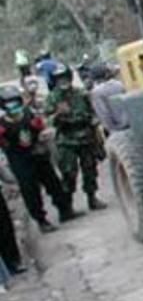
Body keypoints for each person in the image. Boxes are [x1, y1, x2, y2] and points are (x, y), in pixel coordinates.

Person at [0, 85, 77, 232]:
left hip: (38, 154)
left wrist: (44, 136)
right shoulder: (2, 126)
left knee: (53, 183)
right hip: (20, 160)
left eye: (15, 102)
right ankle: (41, 220)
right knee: (30, 191)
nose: (13, 106)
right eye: (9, 103)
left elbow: (42, 129)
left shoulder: (29, 115)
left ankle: (65, 210)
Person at [46, 64, 106, 211]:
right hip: (66, 140)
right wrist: (58, 114)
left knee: (90, 169)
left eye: (65, 77)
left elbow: (93, 112)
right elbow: (47, 121)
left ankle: (92, 198)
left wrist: (95, 124)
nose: (63, 81)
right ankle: (68, 205)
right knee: (68, 172)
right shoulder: (52, 98)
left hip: (86, 137)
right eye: (59, 79)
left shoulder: (81, 93)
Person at [89, 63, 128, 133]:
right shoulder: (119, 84)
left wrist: (112, 131)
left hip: (117, 129)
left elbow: (104, 114)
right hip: (130, 123)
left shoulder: (96, 92)